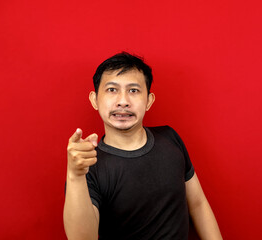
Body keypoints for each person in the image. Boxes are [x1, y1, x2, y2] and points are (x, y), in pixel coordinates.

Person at [63, 52, 223, 240]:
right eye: (112, 90)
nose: (123, 101)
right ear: (94, 99)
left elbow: (198, 204)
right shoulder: (89, 165)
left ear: (149, 101)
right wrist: (75, 175)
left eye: (133, 90)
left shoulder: (170, 138)